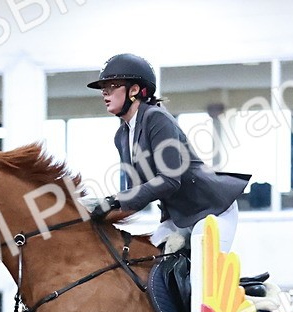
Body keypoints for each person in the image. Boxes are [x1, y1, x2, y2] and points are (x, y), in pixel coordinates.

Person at [84, 53, 249, 254]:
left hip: (211, 210)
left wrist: (114, 200)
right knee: (146, 261)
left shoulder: (156, 118)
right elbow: (135, 195)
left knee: (201, 267)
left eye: (112, 86)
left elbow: (170, 180)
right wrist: (95, 210)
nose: (104, 92)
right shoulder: (122, 136)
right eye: (103, 88)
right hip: (179, 217)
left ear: (134, 90)